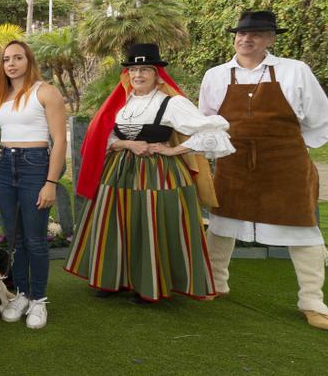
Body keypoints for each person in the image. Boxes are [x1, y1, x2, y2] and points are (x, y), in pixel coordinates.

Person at [197, 11, 328, 331]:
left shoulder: (295, 71)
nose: (247, 39)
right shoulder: (215, 75)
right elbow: (206, 120)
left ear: (271, 39)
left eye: (257, 34)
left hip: (286, 163)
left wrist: (287, 147)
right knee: (221, 224)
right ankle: (215, 282)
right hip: (233, 163)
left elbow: (319, 118)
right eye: (242, 34)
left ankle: (313, 302)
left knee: (302, 229)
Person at [67, 43, 234, 304]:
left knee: (150, 224)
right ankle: (113, 279)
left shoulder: (172, 103)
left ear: (157, 74)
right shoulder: (121, 102)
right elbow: (105, 135)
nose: (138, 75)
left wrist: (174, 150)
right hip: (118, 172)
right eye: (133, 69)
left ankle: (150, 283)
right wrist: (126, 144)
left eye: (145, 69)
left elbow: (214, 131)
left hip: (159, 173)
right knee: (117, 223)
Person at [0, 40, 67, 329]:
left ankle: (39, 299)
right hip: (6, 168)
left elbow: (60, 140)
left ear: (29, 60)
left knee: (35, 238)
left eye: (17, 58)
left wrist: (51, 182)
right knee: (13, 236)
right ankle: (23, 294)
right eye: (6, 59)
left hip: (35, 165)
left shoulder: (46, 92)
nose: (11, 63)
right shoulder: (1, 95)